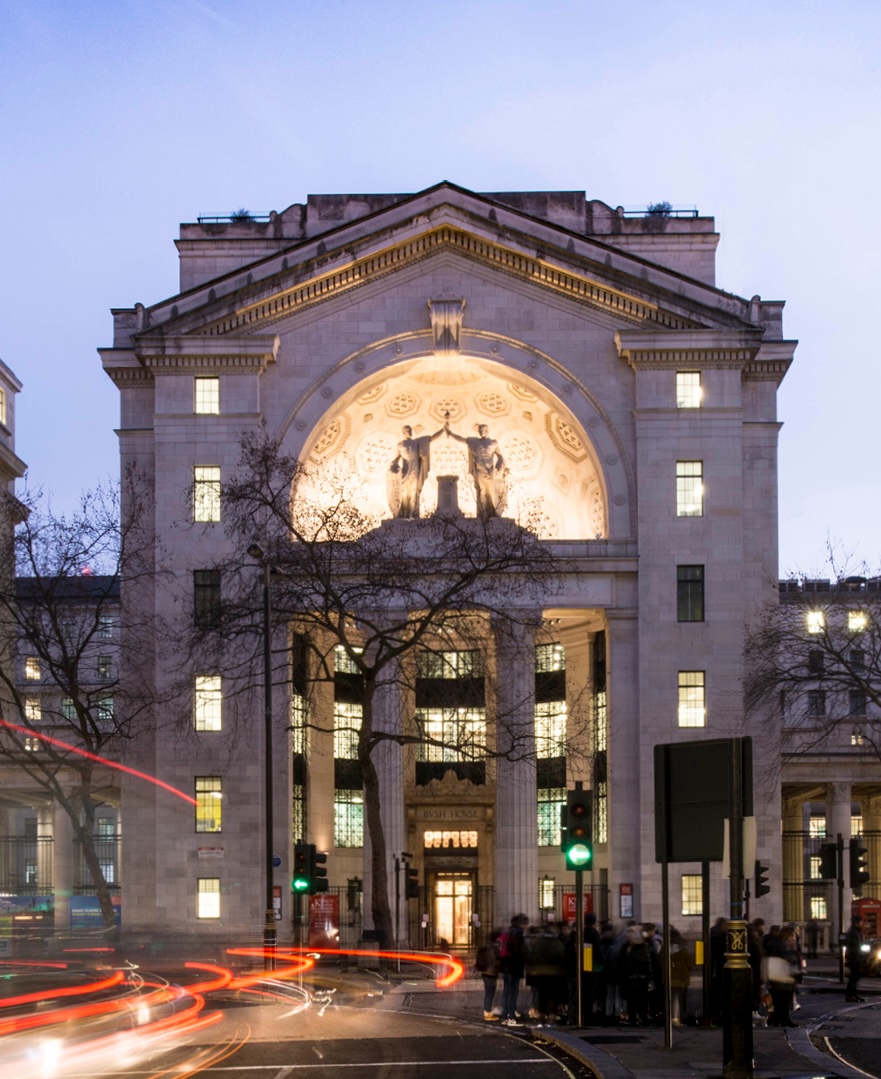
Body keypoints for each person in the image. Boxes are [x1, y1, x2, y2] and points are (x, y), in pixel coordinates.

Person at [445, 422, 507, 518]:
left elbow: (500, 456)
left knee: (490, 491)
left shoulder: (493, 443)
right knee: (482, 490)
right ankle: (483, 512)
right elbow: (463, 440)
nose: (481, 432)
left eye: (483, 430)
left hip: (489, 470)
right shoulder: (475, 442)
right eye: (480, 431)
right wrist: (451, 433)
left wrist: (499, 466)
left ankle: (491, 511)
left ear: (487, 431)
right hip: (480, 469)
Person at [387, 424, 444, 518]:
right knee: (404, 492)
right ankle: (404, 513)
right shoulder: (400, 445)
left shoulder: (416, 443)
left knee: (414, 491)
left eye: (410, 430)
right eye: (407, 430)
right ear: (403, 432)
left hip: (415, 470)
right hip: (405, 471)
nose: (409, 432)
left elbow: (430, 438)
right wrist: (393, 464)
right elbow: (397, 458)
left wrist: (443, 430)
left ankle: (413, 513)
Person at [499, 913, 529, 1026]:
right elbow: (519, 951)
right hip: (514, 966)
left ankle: (504, 1016)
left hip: (506, 966)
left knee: (507, 992)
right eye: (525, 924)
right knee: (512, 992)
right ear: (521, 924)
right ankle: (511, 1017)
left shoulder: (508, 932)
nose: (526, 927)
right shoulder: (518, 934)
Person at [662, 926, 693, 1027]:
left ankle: (669, 1018)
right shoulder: (683, 950)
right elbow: (690, 964)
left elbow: (660, 961)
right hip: (681, 978)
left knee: (670, 998)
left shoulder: (665, 949)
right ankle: (675, 1018)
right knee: (677, 999)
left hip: (669, 977)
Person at [474, 929, 501, 1020]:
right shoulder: (493, 948)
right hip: (490, 973)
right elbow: (493, 961)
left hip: (485, 972)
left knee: (488, 993)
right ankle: (488, 1013)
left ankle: (487, 1011)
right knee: (490, 993)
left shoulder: (487, 946)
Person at [845, 915, 866, 1002]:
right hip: (854, 958)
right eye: (861, 922)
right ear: (857, 922)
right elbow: (854, 945)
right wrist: (859, 954)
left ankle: (854, 994)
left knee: (856, 977)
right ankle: (850, 995)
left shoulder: (856, 931)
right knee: (854, 977)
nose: (862, 923)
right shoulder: (853, 932)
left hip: (857, 957)